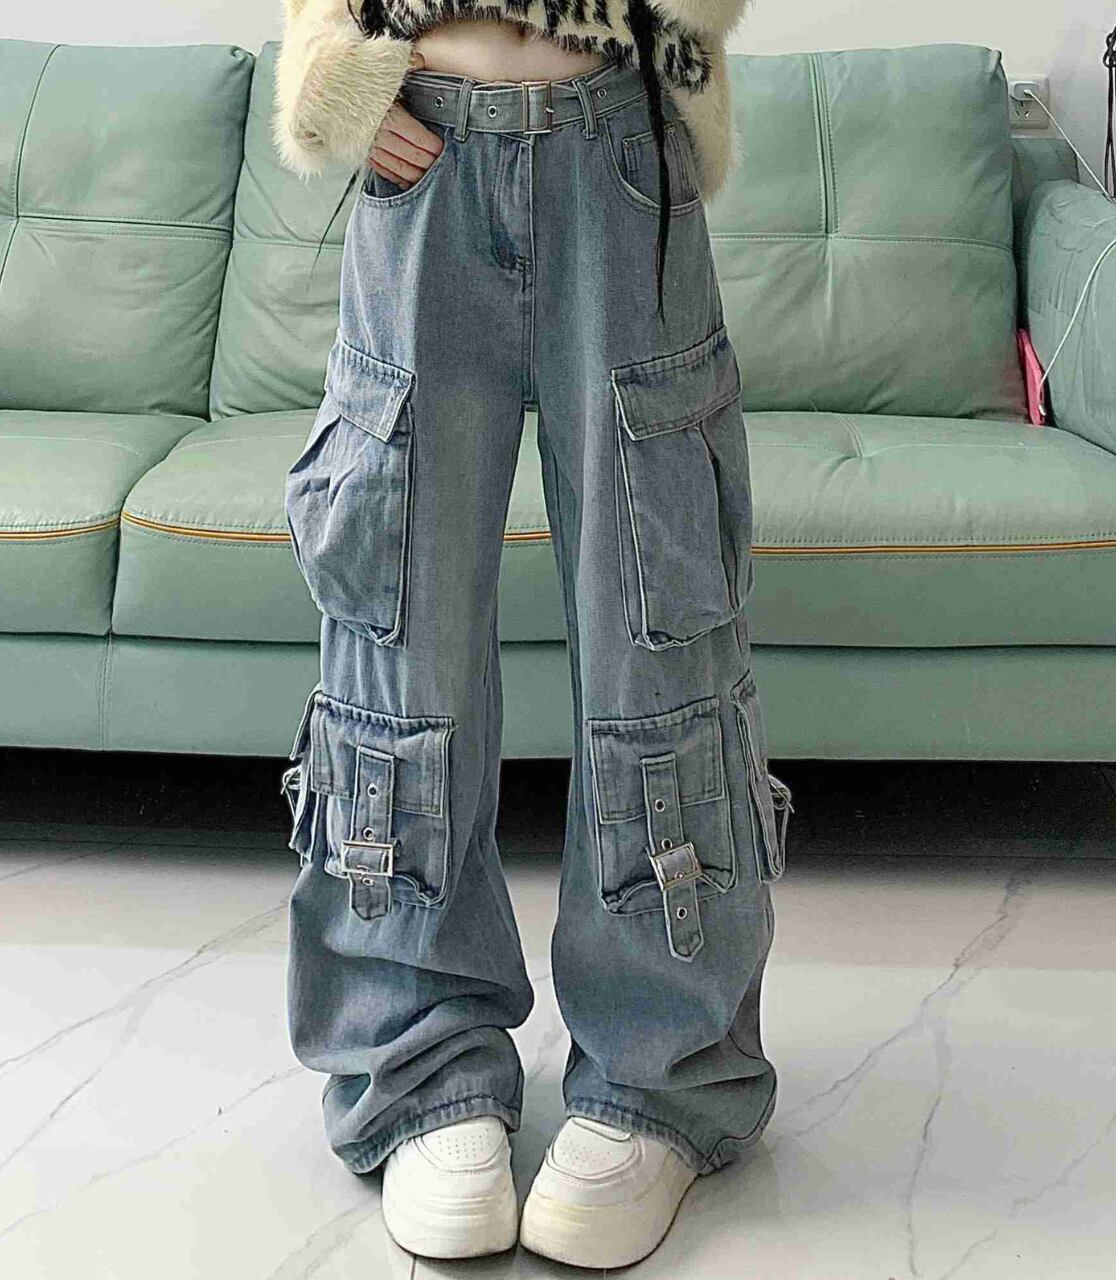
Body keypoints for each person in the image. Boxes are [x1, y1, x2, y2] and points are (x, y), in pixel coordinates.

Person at [273, 0, 792, 1268]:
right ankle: (418, 1060)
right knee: (398, 616)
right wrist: (338, 81)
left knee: (655, 612)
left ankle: (658, 1072)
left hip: (617, 148)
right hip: (423, 148)